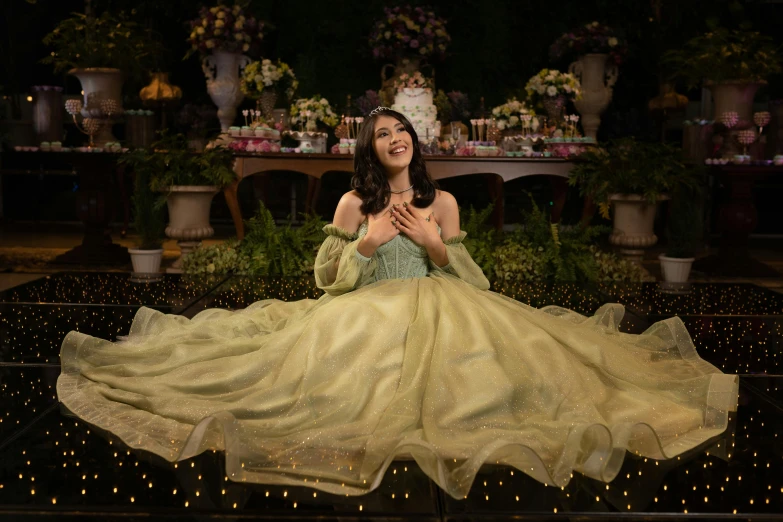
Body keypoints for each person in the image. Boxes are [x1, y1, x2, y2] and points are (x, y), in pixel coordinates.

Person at [58, 107, 738, 500]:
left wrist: (438, 249)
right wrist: (366, 242)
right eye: (381, 133)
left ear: (415, 141)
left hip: (445, 305)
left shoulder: (440, 199)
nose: (394, 139)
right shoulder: (354, 200)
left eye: (401, 130)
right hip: (367, 310)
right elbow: (323, 276)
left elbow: (474, 280)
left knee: (510, 373)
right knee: (318, 380)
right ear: (369, 148)